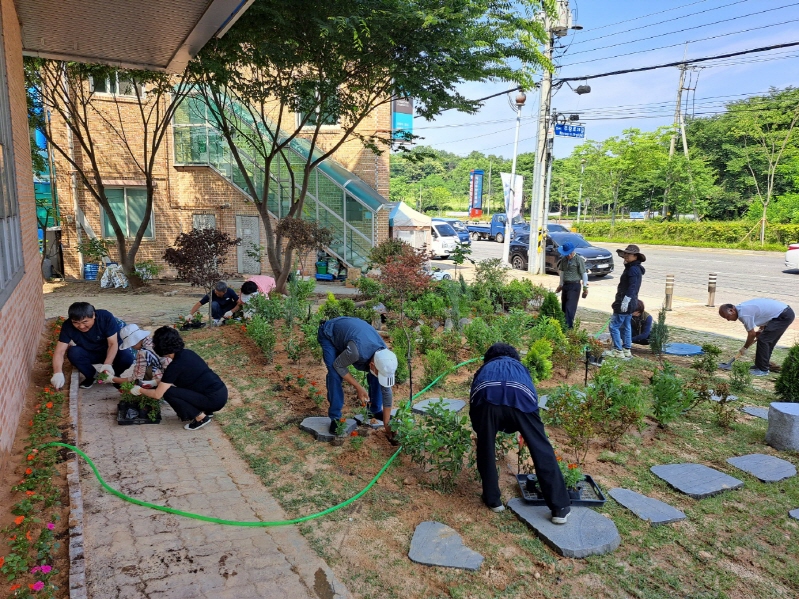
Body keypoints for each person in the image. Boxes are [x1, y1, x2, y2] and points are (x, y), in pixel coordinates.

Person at [469, 343, 571, 523]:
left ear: (489, 358)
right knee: (541, 448)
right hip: (521, 396)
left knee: (486, 447)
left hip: (487, 395)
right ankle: (559, 508)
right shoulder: (520, 368)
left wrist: (484, 429)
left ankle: (493, 500)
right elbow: (531, 394)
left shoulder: (485, 368)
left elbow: (474, 404)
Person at [131, 327, 228, 430]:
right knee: (178, 388)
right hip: (221, 393)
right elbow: (171, 378)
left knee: (168, 392)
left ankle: (200, 417)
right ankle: (207, 410)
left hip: (212, 400)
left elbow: (157, 395)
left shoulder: (174, 366)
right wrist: (153, 383)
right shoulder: (188, 353)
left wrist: (140, 390)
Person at [317, 317, 398, 436]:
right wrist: (358, 387)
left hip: (351, 338)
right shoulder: (357, 352)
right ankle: (335, 418)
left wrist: (386, 424)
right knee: (334, 374)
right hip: (330, 334)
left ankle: (375, 410)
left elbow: (386, 390)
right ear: (372, 364)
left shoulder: (384, 355)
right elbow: (338, 365)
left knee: (376, 375)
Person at [50, 302, 134, 390]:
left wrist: (107, 364)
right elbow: (59, 351)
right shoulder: (67, 326)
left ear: (93, 315)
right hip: (91, 352)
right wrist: (57, 372)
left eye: (85, 322)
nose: (81, 326)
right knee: (73, 352)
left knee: (127, 357)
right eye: (76, 323)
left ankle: (114, 377)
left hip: (112, 350)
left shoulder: (105, 317)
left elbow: (112, 343)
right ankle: (92, 376)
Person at [718, 299, 795, 376]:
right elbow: (764, 316)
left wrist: (745, 348)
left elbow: (751, 334)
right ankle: (761, 365)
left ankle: (763, 369)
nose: (728, 320)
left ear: (732, 310)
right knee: (766, 340)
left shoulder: (744, 314)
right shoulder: (741, 309)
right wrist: (761, 330)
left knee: (764, 340)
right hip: (781, 314)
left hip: (783, 316)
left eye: (727, 317)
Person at [606, 244, 646, 359]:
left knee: (614, 326)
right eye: (625, 254)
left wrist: (625, 300)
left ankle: (618, 350)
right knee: (626, 325)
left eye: (629, 254)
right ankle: (626, 349)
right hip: (631, 301)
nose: (626, 256)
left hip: (625, 301)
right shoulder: (634, 268)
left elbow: (632, 287)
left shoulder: (633, 270)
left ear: (636, 256)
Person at [554, 241, 588, 329]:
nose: (568, 256)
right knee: (564, 307)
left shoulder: (578, 259)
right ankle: (563, 326)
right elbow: (562, 272)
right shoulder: (564, 260)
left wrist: (585, 287)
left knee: (570, 307)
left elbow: (584, 273)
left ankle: (569, 328)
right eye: (566, 254)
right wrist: (560, 285)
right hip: (566, 285)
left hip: (575, 286)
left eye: (569, 253)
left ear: (573, 251)